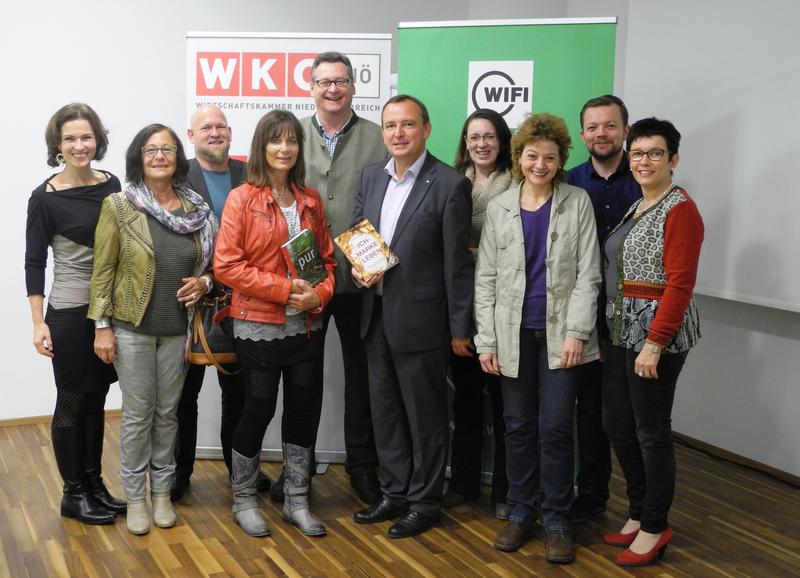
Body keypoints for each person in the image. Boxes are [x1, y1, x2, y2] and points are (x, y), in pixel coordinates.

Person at [474, 113, 601, 563]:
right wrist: (486, 341)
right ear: (519, 157)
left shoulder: (577, 202)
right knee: (518, 427)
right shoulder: (499, 207)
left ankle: (557, 519)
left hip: (562, 337)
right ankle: (522, 511)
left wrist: (577, 333)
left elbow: (589, 274)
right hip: (511, 336)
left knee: (556, 429)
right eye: (532, 156)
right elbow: (486, 278)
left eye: (549, 157)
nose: (540, 165)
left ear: (561, 159)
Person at [351, 95, 474, 539]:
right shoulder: (371, 176)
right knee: (384, 411)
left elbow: (456, 265)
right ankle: (396, 491)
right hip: (375, 313)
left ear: (426, 129)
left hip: (423, 320)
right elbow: (358, 232)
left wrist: (460, 328)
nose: (398, 133)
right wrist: (356, 266)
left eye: (407, 125)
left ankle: (425, 502)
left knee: (425, 418)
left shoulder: (450, 184)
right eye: (390, 126)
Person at [89, 124, 218, 535]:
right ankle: (135, 498)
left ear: (178, 157)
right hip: (132, 329)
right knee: (138, 415)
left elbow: (214, 267)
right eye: (151, 150)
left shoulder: (197, 209)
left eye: (167, 149)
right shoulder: (120, 205)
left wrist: (205, 283)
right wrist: (102, 327)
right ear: (138, 158)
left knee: (168, 414)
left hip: (179, 330)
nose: (160, 156)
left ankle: (161, 493)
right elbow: (103, 271)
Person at [214, 110, 336, 538]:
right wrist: (285, 290)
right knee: (258, 409)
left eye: (292, 141)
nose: (285, 149)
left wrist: (320, 294)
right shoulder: (242, 199)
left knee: (302, 411)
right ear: (261, 147)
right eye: (276, 140)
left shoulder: (311, 199)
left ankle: (296, 500)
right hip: (258, 326)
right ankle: (244, 499)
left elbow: (326, 262)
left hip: (307, 327)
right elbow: (227, 265)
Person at [601, 117, 703, 567]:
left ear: (672, 159)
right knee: (618, 425)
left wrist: (655, 343)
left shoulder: (680, 209)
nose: (645, 161)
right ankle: (640, 511)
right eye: (638, 153)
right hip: (622, 332)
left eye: (655, 153)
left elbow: (680, 284)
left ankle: (656, 526)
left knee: (651, 432)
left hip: (655, 337)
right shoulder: (640, 204)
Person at [25, 103, 125, 525]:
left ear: (97, 140)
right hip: (68, 312)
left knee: (97, 398)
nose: (79, 145)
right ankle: (73, 493)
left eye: (86, 137)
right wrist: (38, 322)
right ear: (58, 144)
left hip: (107, 312)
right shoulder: (44, 198)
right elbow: (34, 262)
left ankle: (94, 484)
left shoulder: (111, 183)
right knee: (71, 400)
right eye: (70, 138)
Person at [297, 51, 386, 505]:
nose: (333, 89)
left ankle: (362, 467)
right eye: (324, 82)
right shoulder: (292, 135)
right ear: (311, 87)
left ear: (353, 86)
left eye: (341, 81)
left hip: (359, 280)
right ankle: (300, 467)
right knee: (304, 377)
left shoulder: (378, 137)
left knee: (362, 379)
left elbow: (391, 201)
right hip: (307, 282)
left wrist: (374, 263)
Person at [172, 105, 271, 501]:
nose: (214, 133)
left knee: (240, 396)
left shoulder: (251, 174)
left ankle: (239, 471)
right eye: (206, 128)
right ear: (191, 136)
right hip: (188, 303)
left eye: (221, 127)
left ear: (230, 133)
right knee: (184, 396)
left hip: (241, 301)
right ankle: (179, 474)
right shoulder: (175, 177)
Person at [566, 95, 642, 524]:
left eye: (610, 126)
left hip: (635, 314)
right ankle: (593, 495)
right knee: (590, 410)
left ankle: (643, 507)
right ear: (582, 135)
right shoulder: (569, 182)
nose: (601, 134)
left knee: (632, 416)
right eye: (593, 127)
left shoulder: (645, 178)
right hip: (584, 313)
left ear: (625, 130)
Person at [444, 109, 512, 519]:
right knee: (465, 402)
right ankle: (464, 484)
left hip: (505, 308)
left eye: (489, 136)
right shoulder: (454, 181)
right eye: (474, 137)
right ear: (465, 143)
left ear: (501, 141)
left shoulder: (518, 183)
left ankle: (506, 491)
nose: (481, 144)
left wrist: (475, 254)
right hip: (461, 308)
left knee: (506, 407)